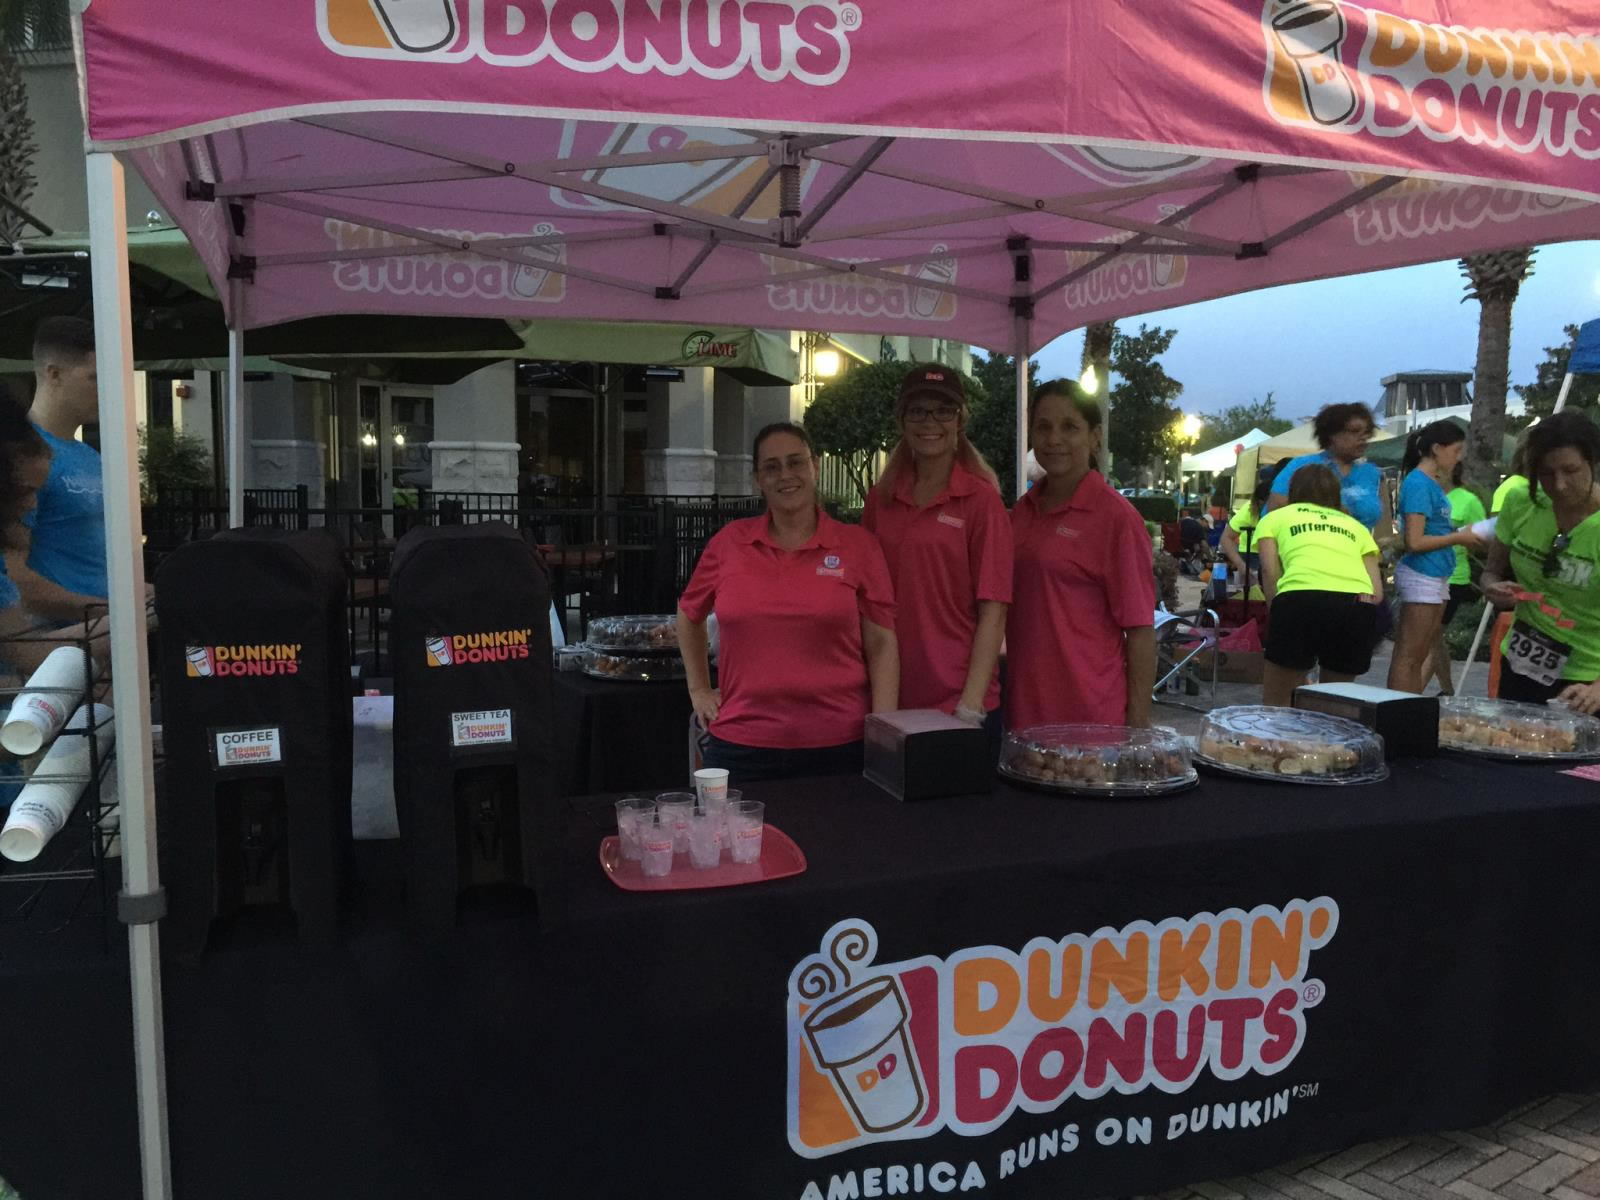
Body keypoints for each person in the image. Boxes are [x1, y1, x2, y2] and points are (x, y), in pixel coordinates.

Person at [677, 422, 898, 780]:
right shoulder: (729, 543)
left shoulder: (858, 546)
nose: (785, 475)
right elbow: (689, 614)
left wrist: (883, 732)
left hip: (840, 745)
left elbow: (882, 644)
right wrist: (699, 690)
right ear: (757, 479)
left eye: (796, 462)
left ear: (815, 466)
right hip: (740, 743)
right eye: (772, 467)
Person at [862, 366, 1011, 740]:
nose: (930, 421)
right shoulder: (881, 499)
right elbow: (865, 601)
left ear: (960, 420)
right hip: (890, 698)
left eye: (944, 410)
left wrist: (970, 707)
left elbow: (993, 609)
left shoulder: (981, 500)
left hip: (960, 704)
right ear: (902, 420)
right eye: (917, 411)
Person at [1008, 379, 1155, 730]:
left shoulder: (1116, 518)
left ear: (1095, 436)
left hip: (1091, 720)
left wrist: (1135, 728)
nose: (1054, 439)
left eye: (1070, 427)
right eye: (1043, 427)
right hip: (1022, 715)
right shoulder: (1021, 512)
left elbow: (1140, 631)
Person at [1481, 411, 1600, 709]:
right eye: (1546, 474)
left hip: (1585, 681)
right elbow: (1491, 571)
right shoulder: (1521, 502)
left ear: (1593, 463)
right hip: (1521, 663)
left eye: (1571, 470)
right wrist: (1493, 588)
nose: (1559, 485)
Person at [1253, 464, 1383, 707]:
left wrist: (1276, 608)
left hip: (1298, 600)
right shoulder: (1356, 527)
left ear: (1293, 490)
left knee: (1277, 702)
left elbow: (1270, 571)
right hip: (1355, 607)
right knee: (1335, 702)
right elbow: (1376, 591)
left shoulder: (1274, 518)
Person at [11, 317, 109, 621]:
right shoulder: (19, 458)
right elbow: (11, 576)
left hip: (104, 634)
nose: (106, 388)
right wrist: (112, 613)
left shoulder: (90, 456)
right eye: (95, 378)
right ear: (54, 374)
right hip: (55, 640)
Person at [1388, 421, 1484, 693]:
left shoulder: (1429, 484)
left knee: (1418, 654)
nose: (1459, 458)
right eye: (1456, 450)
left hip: (1436, 572)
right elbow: (1415, 541)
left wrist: (1456, 535)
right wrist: (1458, 538)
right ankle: (1397, 707)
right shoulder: (1419, 484)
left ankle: (1406, 705)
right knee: (1410, 654)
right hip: (1423, 573)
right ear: (1437, 449)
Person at [1266, 402, 1390, 533]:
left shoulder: (1372, 473)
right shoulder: (1302, 466)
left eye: (1367, 432)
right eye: (1354, 431)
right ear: (1332, 434)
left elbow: (1383, 528)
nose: (1363, 437)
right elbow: (1275, 509)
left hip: (1358, 545)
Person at [1419, 462, 1487, 695]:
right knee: (1432, 637)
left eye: (1440, 470)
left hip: (1454, 576)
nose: (1435, 474)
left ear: (1452, 472)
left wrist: (1456, 537)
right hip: (1425, 572)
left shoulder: (1468, 501)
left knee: (1432, 634)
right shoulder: (1427, 497)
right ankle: (1446, 692)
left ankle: (1416, 691)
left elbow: (1482, 540)